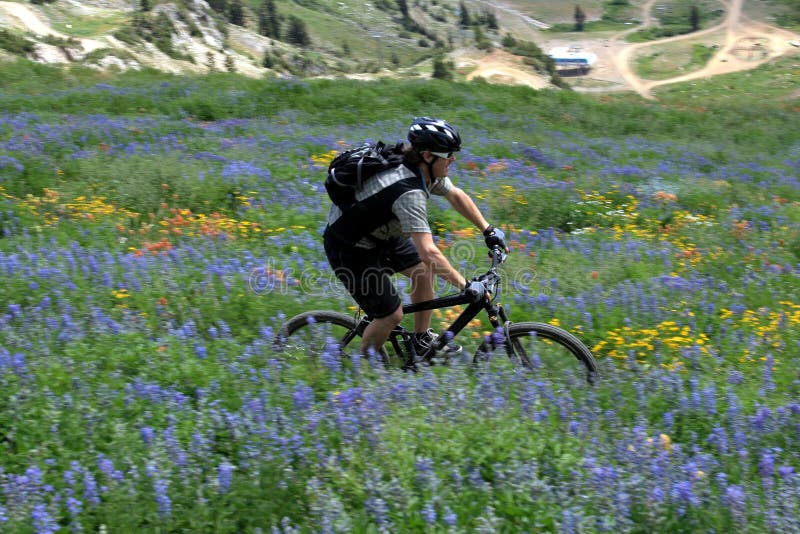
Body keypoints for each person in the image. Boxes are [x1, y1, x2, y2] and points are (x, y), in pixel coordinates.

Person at [323, 117, 509, 357]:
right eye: (448, 155)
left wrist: (488, 230)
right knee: (391, 314)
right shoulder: (408, 192)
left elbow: (455, 194)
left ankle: (421, 340)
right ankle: (365, 367)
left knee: (423, 272)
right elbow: (429, 251)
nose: (452, 159)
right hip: (349, 246)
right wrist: (466, 286)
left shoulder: (422, 168)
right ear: (428, 156)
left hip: (378, 234)